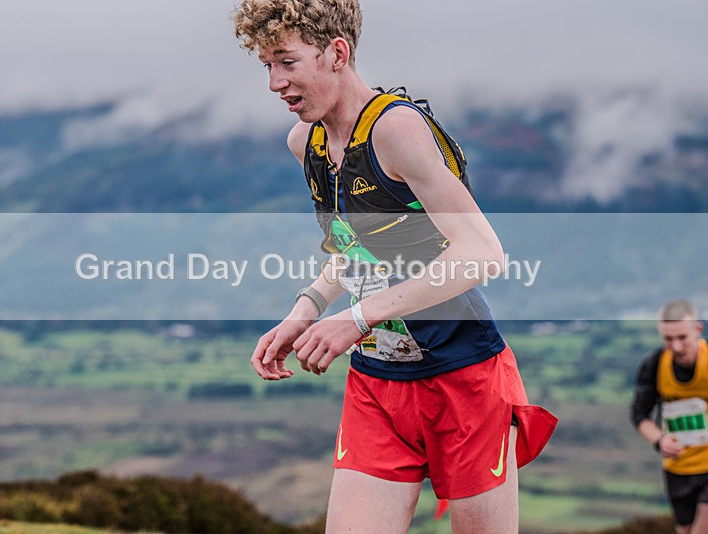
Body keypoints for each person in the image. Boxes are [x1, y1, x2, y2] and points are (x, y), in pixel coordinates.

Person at [233, 1, 557, 532]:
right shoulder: (305, 143)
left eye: (286, 62)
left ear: (336, 53)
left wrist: (356, 318)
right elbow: (354, 247)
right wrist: (306, 309)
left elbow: (482, 253)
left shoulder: (397, 129)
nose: (274, 83)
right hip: (377, 382)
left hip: (463, 377)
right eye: (266, 65)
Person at [632, 299, 708, 534]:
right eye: (668, 339)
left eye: (682, 337)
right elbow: (639, 415)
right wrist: (659, 440)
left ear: (697, 329)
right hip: (678, 468)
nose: (676, 346)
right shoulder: (654, 365)